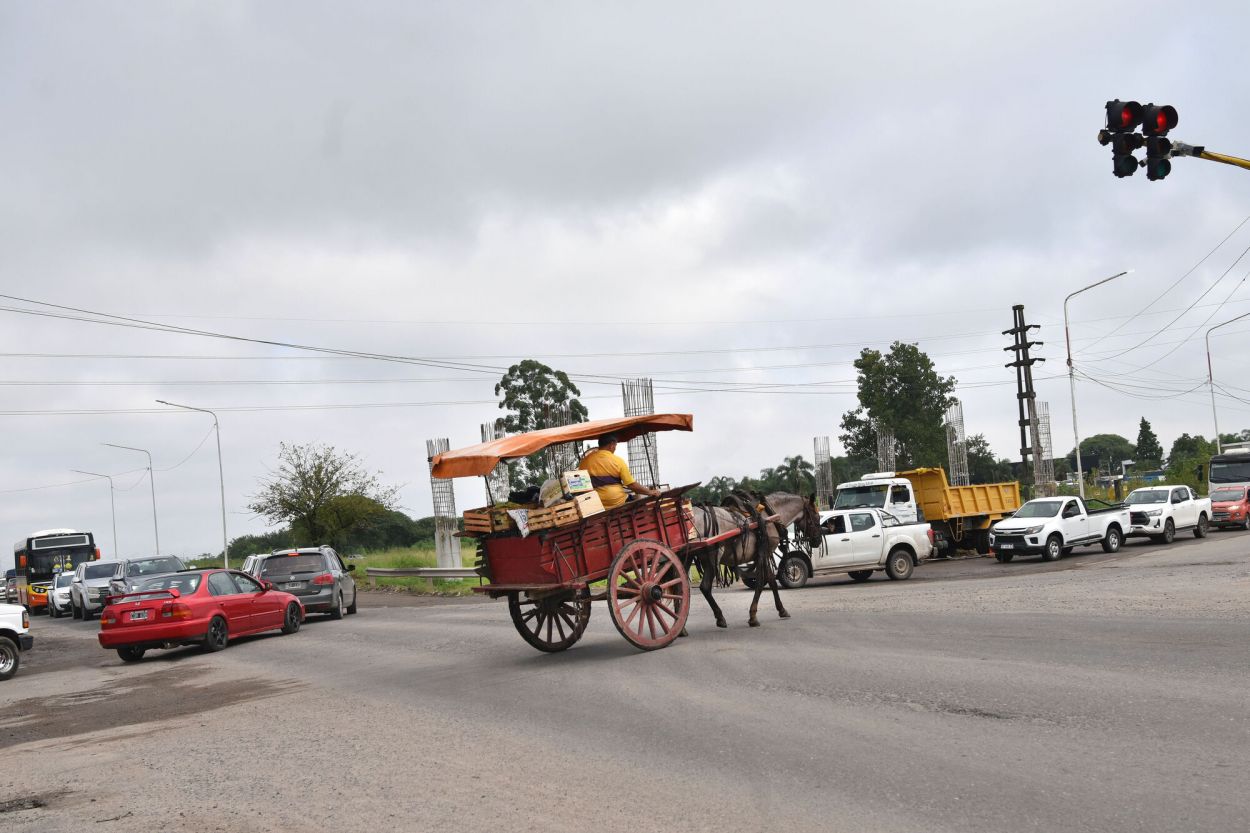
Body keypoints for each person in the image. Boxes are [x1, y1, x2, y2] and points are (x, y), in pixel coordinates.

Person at [577, 433, 660, 509]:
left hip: (594, 505)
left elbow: (581, 485)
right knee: (639, 502)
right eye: (615, 445)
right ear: (611, 445)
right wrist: (650, 492)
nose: (615, 448)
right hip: (617, 502)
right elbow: (632, 485)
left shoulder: (584, 461)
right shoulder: (617, 461)